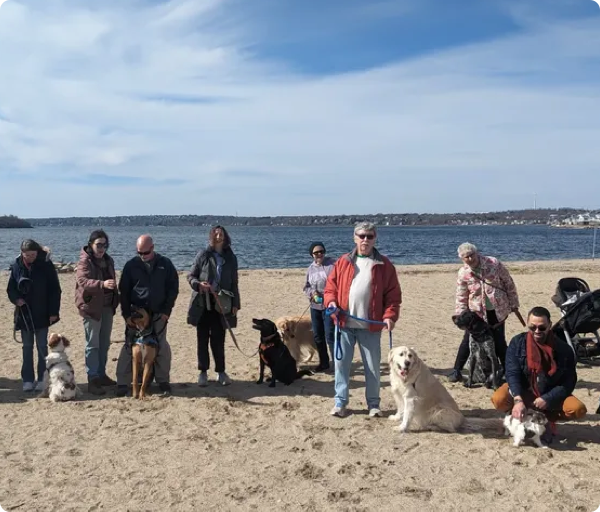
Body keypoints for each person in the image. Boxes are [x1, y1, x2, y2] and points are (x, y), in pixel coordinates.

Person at [324, 222, 402, 418]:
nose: (365, 239)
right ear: (354, 238)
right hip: (344, 325)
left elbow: (393, 296)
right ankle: (340, 403)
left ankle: (373, 405)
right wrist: (331, 302)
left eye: (369, 236)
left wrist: (390, 316)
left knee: (373, 367)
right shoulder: (343, 262)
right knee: (341, 366)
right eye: (361, 236)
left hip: (370, 327)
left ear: (375, 238)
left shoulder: (384, 264)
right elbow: (330, 288)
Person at [491, 306, 587, 443]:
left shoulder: (563, 349)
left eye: (542, 328)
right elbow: (512, 373)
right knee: (498, 398)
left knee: (577, 409)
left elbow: (569, 382)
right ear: (527, 324)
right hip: (524, 390)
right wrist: (518, 400)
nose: (537, 331)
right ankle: (518, 413)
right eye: (532, 327)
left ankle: (549, 419)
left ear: (550, 325)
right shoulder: (517, 343)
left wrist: (548, 398)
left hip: (549, 393)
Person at [116, 235, 179, 396]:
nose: (142, 256)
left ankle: (163, 380)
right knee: (129, 347)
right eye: (139, 253)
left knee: (161, 346)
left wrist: (166, 311)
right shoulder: (131, 265)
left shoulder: (165, 264)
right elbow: (123, 291)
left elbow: (173, 288)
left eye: (145, 252)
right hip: (137, 313)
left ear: (153, 247)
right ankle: (123, 382)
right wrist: (126, 315)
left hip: (158, 314)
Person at [449, 242, 520, 383]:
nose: (469, 259)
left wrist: (514, 303)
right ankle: (456, 370)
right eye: (465, 257)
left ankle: (508, 371)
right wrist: (461, 314)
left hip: (497, 309)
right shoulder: (463, 273)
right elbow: (461, 295)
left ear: (477, 253)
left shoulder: (493, 263)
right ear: (461, 259)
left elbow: (508, 283)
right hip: (476, 313)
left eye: (471, 255)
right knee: (467, 342)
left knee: (499, 341)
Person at [187, 226, 240, 386]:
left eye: (221, 234)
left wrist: (236, 303)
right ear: (212, 236)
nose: (219, 236)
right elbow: (190, 276)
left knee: (219, 339)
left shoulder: (231, 257)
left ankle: (221, 372)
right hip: (203, 303)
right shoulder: (203, 254)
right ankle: (203, 372)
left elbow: (234, 283)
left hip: (222, 304)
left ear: (225, 237)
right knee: (202, 339)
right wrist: (198, 284)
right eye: (216, 234)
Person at [7, 239, 61, 392]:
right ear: (22, 253)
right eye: (27, 255)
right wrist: (16, 299)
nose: (30, 257)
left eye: (33, 254)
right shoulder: (17, 265)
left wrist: (53, 312)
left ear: (37, 252)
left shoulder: (45, 264)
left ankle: (42, 379)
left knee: (42, 347)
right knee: (27, 347)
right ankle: (28, 379)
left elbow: (55, 290)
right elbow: (11, 288)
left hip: (43, 312)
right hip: (24, 314)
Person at [75, 229, 120, 395]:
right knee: (92, 345)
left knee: (104, 343)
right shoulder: (84, 262)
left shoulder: (108, 260)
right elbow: (82, 281)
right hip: (91, 308)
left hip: (107, 307)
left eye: (105, 245)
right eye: (99, 245)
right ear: (91, 245)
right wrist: (102, 284)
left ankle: (101, 374)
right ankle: (92, 378)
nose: (102, 248)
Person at [303, 241, 335, 371]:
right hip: (315, 307)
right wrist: (312, 293)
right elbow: (306, 287)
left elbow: (339, 283)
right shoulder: (310, 269)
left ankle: (337, 363)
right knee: (317, 336)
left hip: (330, 306)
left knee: (330, 336)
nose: (319, 254)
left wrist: (329, 295)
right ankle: (324, 362)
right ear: (312, 255)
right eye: (316, 252)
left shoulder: (332, 265)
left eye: (321, 251)